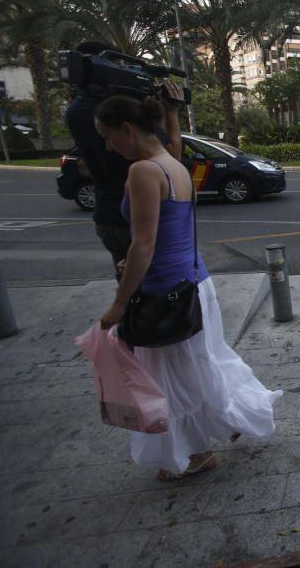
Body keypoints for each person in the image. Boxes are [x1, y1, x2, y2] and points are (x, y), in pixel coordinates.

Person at [94, 94, 281, 481]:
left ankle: (196, 453)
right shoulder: (172, 166)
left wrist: (118, 303)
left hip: (164, 292)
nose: (108, 147)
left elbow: (143, 243)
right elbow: (173, 148)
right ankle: (214, 431)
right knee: (198, 366)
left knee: (172, 377)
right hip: (193, 284)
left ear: (128, 129)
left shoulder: (143, 171)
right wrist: (173, 112)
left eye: (109, 137)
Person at [65, 41, 183, 274]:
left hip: (107, 217)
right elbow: (171, 156)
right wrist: (170, 112)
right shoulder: (123, 110)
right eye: (121, 64)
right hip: (141, 216)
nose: (110, 146)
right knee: (152, 289)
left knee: (134, 289)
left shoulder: (76, 111)